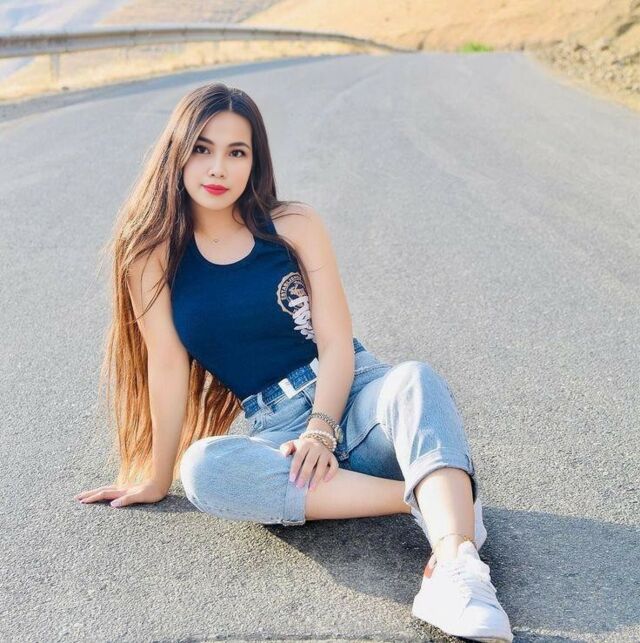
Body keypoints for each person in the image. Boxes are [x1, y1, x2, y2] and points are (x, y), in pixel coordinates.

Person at [74, 81, 513, 642]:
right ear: (176, 153)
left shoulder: (293, 225)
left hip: (354, 397)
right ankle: (436, 496)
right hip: (277, 430)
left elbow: (336, 342)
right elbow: (166, 365)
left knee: (415, 381)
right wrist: (158, 480)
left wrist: (322, 429)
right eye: (202, 148)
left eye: (237, 152)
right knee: (204, 468)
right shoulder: (151, 256)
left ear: (254, 161)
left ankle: (456, 566)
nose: (218, 167)